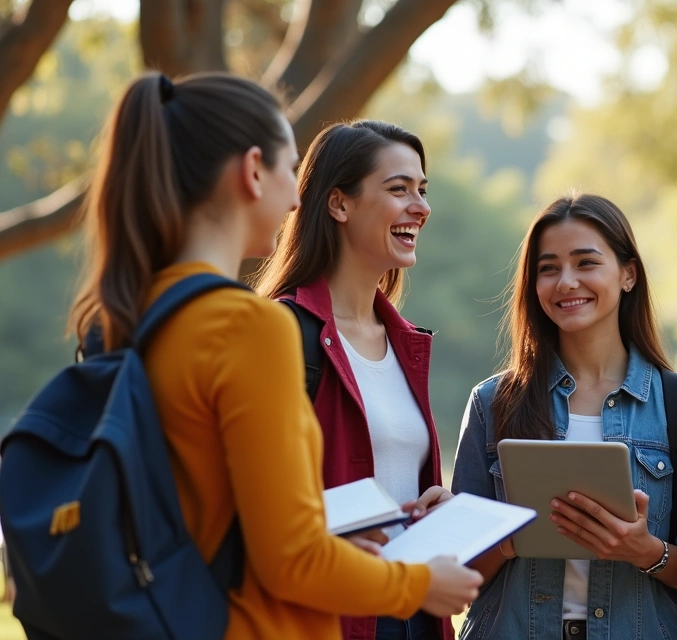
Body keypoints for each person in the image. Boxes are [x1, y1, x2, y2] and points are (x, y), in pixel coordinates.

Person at [66, 72, 481, 639]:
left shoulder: (124, 316)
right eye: (290, 171)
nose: (294, 200)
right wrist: (420, 584)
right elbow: (290, 556)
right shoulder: (256, 328)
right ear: (252, 171)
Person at [451, 194, 677, 640]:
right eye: (548, 268)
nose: (566, 282)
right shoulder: (492, 402)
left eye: (586, 263)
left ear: (628, 274)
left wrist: (646, 550)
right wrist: (512, 538)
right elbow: (459, 567)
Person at [255, 119, 454, 640]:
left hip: (414, 612)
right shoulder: (281, 332)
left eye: (422, 190)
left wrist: (435, 509)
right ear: (339, 204)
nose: (421, 207)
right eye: (399, 189)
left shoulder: (406, 344)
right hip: (330, 616)